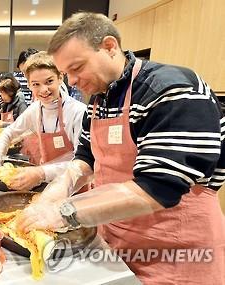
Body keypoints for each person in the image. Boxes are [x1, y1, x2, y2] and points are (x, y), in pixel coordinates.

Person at [18, 12, 225, 284]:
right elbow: (86, 157)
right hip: (116, 238)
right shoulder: (100, 100)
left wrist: (64, 212)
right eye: (66, 74)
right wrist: (58, 189)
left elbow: (157, 189)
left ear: (109, 46)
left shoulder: (171, 89)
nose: (72, 82)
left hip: (175, 247)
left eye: (77, 68)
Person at [0, 52, 86, 191]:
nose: (43, 90)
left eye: (49, 81)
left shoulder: (78, 111)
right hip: (46, 186)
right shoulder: (35, 109)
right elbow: (8, 133)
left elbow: (82, 162)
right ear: (28, 85)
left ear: (60, 78)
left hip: (75, 188)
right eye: (36, 84)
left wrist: (41, 173)